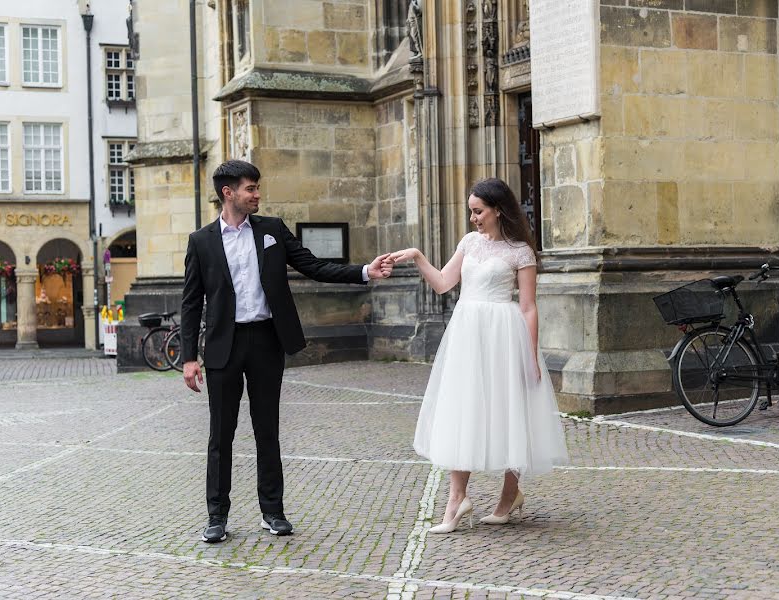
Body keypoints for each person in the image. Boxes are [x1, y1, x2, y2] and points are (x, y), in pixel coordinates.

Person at [181, 159, 393, 543]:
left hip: (266, 341)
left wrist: (365, 272)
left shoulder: (272, 230)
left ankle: (272, 512)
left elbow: (313, 266)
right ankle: (217, 517)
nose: (257, 194)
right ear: (228, 193)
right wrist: (188, 358)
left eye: (258, 188)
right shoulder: (201, 241)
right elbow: (191, 302)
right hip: (223, 346)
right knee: (220, 435)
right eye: (251, 189)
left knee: (267, 430)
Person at [390, 177, 568, 534]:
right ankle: (457, 499)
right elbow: (443, 283)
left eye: (478, 211)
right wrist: (417, 257)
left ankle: (510, 494)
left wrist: (531, 357)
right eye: (470, 211)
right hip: (467, 333)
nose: (472, 217)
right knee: (464, 408)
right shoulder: (469, 243)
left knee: (510, 407)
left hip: (505, 333)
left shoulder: (520, 252)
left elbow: (529, 307)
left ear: (498, 210)